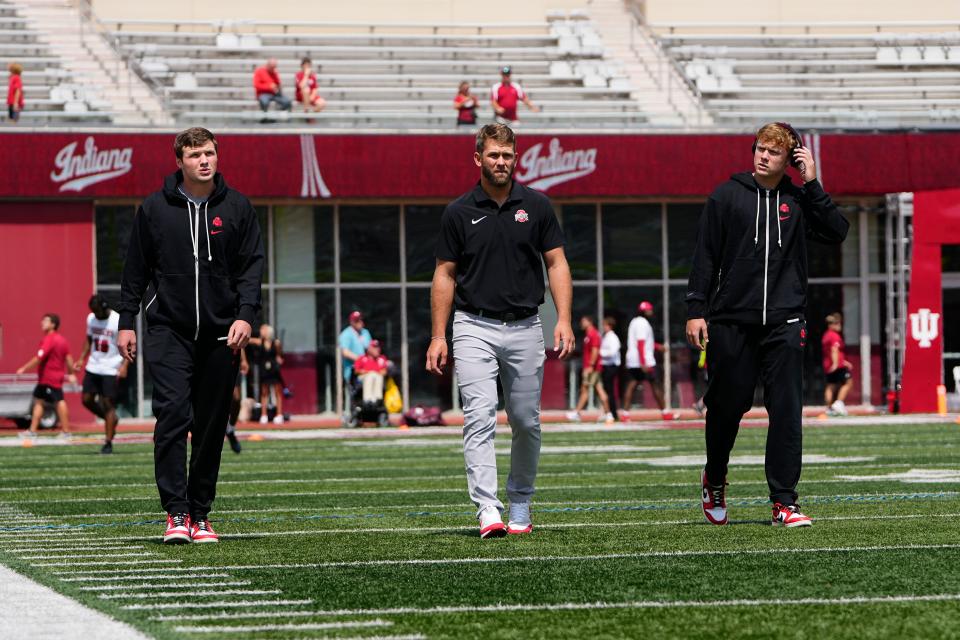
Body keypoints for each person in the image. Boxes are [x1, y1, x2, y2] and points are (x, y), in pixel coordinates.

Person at [686, 121, 848, 528]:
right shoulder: (726, 196)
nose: (763, 156)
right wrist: (695, 309)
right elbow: (705, 256)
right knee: (727, 405)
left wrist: (812, 183)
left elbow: (837, 231)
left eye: (774, 152)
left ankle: (784, 502)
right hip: (731, 320)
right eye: (760, 148)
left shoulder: (799, 199)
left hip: (785, 320)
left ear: (789, 158)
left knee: (787, 409)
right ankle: (716, 477)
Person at [117, 127, 264, 544]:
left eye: (210, 153)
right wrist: (126, 320)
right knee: (172, 417)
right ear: (179, 160)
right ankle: (175, 513)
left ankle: (200, 514)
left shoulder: (237, 208)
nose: (204, 161)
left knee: (211, 424)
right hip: (168, 329)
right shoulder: (154, 209)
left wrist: (246, 316)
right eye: (196, 154)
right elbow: (135, 270)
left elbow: (251, 268)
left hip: (223, 333)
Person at [426, 123, 574, 538]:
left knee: (526, 421)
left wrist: (562, 318)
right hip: (472, 325)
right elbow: (444, 275)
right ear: (478, 159)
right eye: (493, 155)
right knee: (478, 417)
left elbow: (557, 264)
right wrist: (439, 336)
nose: (501, 162)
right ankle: (487, 508)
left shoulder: (538, 206)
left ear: (515, 158)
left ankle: (521, 501)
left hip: (527, 326)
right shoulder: (457, 211)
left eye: (507, 155)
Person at [77, 294, 128, 454]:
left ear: (104, 307)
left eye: (98, 311)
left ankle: (108, 442)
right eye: (94, 311)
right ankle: (111, 420)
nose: (96, 314)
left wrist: (125, 365)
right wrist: (81, 358)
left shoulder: (116, 320)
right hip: (94, 365)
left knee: (107, 404)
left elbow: (128, 343)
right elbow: (89, 339)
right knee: (86, 399)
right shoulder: (91, 318)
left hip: (111, 367)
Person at [15, 313, 77, 439]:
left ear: (53, 324)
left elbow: (38, 358)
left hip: (50, 378)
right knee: (38, 401)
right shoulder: (62, 340)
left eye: (45, 321)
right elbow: (69, 359)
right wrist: (71, 373)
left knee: (59, 401)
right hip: (46, 379)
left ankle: (66, 431)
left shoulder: (50, 339)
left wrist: (23, 368)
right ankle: (32, 431)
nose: (42, 323)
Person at [623, 301, 677, 420]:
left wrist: (658, 347)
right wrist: (643, 362)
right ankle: (665, 412)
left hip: (632, 359)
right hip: (644, 360)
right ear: (645, 312)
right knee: (655, 384)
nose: (651, 312)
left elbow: (644, 342)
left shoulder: (634, 322)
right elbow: (641, 343)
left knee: (631, 384)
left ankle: (625, 414)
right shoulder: (643, 323)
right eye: (649, 310)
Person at [566, 315, 611, 424]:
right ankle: (608, 414)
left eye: (583, 321)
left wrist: (590, 366)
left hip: (592, 368)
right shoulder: (588, 335)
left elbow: (595, 351)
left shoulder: (593, 334)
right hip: (592, 367)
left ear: (590, 322)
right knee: (600, 390)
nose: (582, 323)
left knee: (585, 389)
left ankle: (577, 412)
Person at [249, 323, 285, 425]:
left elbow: (280, 356)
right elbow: (249, 340)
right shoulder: (260, 342)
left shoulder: (276, 343)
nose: (261, 331)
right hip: (264, 370)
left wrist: (279, 359)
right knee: (264, 392)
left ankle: (279, 414)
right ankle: (263, 415)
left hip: (274, 369)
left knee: (277, 391)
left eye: (263, 330)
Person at [822, 312, 853, 416]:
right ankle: (838, 404)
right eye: (838, 324)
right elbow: (834, 350)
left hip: (828, 365)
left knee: (831, 386)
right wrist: (836, 364)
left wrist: (844, 361)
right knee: (848, 383)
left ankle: (829, 408)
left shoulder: (826, 335)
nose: (840, 326)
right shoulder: (834, 336)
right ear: (832, 324)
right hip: (837, 366)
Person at [339, 310, 372, 389]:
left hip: (368, 368)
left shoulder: (365, 332)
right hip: (353, 370)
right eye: (357, 320)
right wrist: (362, 360)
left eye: (361, 320)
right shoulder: (346, 334)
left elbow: (371, 349)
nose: (360, 322)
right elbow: (345, 352)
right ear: (352, 322)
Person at [225, 347, 248, 454]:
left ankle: (230, 430)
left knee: (236, 398)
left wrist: (243, 360)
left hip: (230, 359)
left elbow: (238, 338)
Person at [599, 316, 622, 422]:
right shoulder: (606, 336)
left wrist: (600, 354)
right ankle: (608, 411)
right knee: (607, 390)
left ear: (610, 326)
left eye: (605, 325)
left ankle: (613, 413)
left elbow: (613, 352)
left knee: (610, 391)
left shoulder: (613, 337)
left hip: (611, 366)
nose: (604, 327)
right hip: (606, 365)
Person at [354, 339, 389, 404]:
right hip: (364, 378)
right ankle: (367, 400)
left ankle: (378, 400)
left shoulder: (382, 358)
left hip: (377, 377)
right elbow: (356, 371)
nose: (377, 349)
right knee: (370, 376)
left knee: (376, 376)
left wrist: (374, 372)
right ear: (369, 349)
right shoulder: (362, 358)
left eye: (378, 347)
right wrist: (367, 372)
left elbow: (384, 371)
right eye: (374, 347)